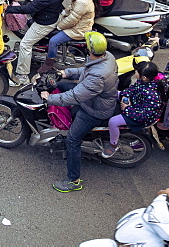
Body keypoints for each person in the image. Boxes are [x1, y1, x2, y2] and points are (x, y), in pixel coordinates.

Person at [43, 31, 118, 193]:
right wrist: (66, 72)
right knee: (62, 84)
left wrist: (49, 99)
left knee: (72, 140)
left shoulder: (98, 76)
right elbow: (86, 70)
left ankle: (73, 180)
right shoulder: (107, 57)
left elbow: (75, 96)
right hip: (93, 99)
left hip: (94, 110)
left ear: (89, 50)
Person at [7, 0, 66, 84]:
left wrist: (8, 8)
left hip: (44, 22)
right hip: (49, 15)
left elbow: (30, 8)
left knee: (25, 45)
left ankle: (22, 76)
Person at [37, 0, 98, 73]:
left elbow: (72, 20)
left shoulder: (83, 1)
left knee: (53, 41)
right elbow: (71, 9)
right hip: (76, 25)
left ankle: (48, 64)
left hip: (77, 30)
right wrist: (62, 14)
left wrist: (59, 26)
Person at [103, 61, 164, 158]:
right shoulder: (143, 81)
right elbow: (131, 90)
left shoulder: (151, 94)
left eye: (136, 71)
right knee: (111, 92)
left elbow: (144, 115)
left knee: (113, 122)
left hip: (140, 116)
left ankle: (113, 145)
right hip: (133, 105)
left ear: (143, 77)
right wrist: (125, 97)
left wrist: (127, 108)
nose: (135, 72)